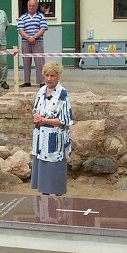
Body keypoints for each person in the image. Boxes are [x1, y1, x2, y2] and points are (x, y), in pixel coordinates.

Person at [30, 62, 73, 195]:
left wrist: (45, 120)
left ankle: (58, 204)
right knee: (43, 174)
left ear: (58, 76)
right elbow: (36, 109)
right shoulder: (41, 91)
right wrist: (36, 118)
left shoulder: (63, 95)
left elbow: (65, 120)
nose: (49, 79)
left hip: (55, 138)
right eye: (47, 75)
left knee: (55, 172)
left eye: (52, 76)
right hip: (41, 138)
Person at [17, 0, 48, 87]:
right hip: (25, 42)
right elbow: (20, 30)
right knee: (26, 62)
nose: (31, 7)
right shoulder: (23, 17)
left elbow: (43, 29)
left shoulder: (41, 16)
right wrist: (28, 37)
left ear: (36, 6)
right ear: (27, 6)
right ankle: (27, 81)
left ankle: (41, 82)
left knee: (39, 62)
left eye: (33, 6)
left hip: (38, 41)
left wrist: (34, 37)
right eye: (29, 6)